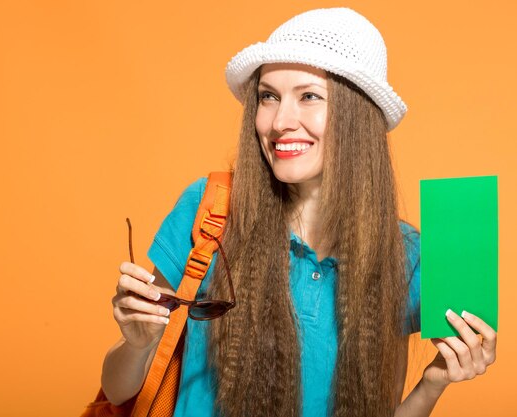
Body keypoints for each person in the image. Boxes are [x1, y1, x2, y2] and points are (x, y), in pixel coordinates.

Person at [101, 7, 497, 417]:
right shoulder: (210, 210)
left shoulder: (404, 255)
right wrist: (138, 343)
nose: (279, 122)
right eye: (268, 96)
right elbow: (117, 391)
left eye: (309, 96)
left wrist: (431, 385)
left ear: (356, 116)